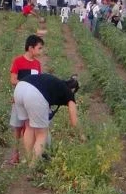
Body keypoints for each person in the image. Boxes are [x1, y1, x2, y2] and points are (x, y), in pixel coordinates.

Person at [14, 73, 79, 161]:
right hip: (34, 93)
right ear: (72, 90)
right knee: (41, 133)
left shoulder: (56, 84)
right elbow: (74, 122)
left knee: (29, 127)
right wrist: (81, 136)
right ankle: (33, 166)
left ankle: (29, 160)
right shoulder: (68, 93)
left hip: (20, 88)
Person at [8, 35, 45, 164]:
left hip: (32, 102)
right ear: (30, 48)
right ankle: (15, 154)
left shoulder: (37, 64)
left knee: (30, 127)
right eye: (39, 48)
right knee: (17, 128)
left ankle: (29, 156)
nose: (41, 51)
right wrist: (26, 85)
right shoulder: (18, 61)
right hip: (19, 100)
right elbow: (13, 80)